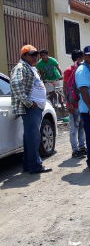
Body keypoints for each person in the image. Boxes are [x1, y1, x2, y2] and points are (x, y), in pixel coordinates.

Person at [10, 45, 51, 174]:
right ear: (24, 56)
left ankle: (29, 165)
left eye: (35, 55)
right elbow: (16, 84)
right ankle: (35, 165)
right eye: (31, 55)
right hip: (31, 109)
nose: (35, 57)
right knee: (33, 137)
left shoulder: (30, 68)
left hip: (36, 107)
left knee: (31, 137)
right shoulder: (20, 67)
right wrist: (28, 102)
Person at [63, 49, 86, 158]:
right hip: (73, 104)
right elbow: (66, 88)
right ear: (79, 59)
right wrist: (69, 103)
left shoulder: (81, 70)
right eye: (83, 57)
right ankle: (75, 149)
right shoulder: (69, 71)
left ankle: (82, 147)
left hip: (81, 104)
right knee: (73, 128)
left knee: (81, 127)